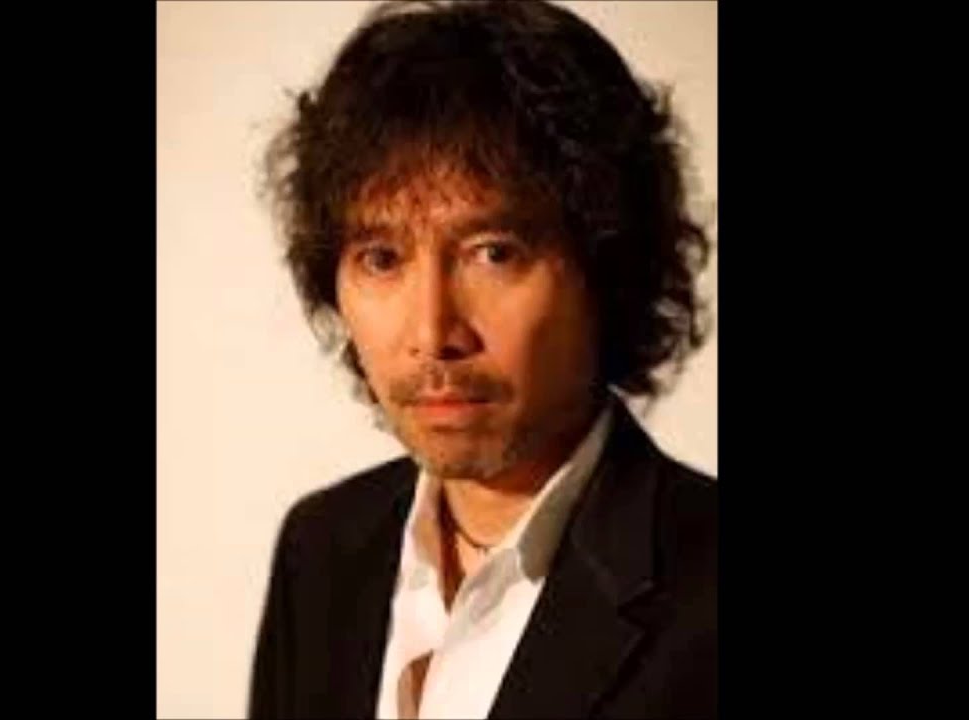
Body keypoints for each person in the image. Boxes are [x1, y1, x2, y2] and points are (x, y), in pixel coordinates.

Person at [250, 1, 715, 717]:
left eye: (493, 253)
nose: (433, 331)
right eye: (381, 258)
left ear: (609, 268)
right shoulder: (322, 550)